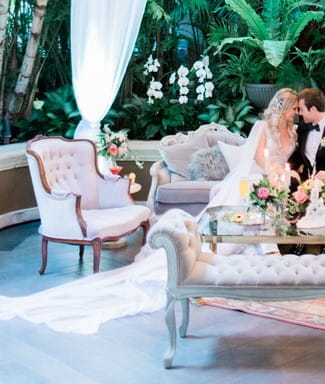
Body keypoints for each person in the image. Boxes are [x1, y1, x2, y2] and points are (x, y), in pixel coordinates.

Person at [0, 88, 299, 334]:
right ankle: (232, 257)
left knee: (266, 207)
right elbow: (259, 158)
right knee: (244, 210)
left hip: (274, 181)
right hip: (254, 179)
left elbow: (285, 160)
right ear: (283, 108)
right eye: (294, 108)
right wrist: (276, 174)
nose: (296, 113)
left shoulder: (293, 132)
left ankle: (264, 255)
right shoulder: (262, 127)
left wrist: (286, 176)